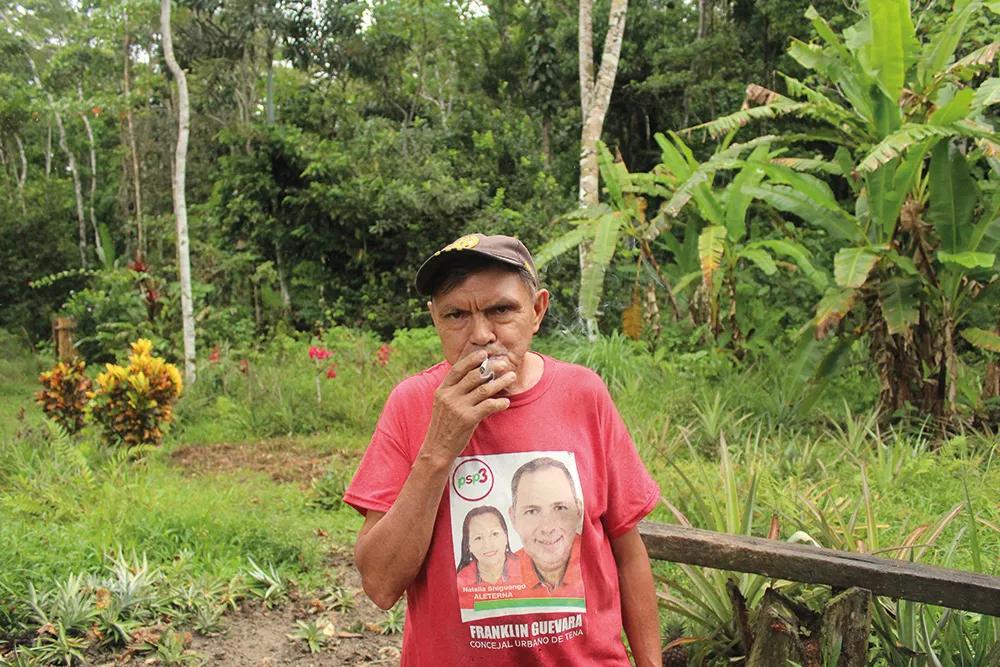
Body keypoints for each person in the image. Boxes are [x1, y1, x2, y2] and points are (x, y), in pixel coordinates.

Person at [344, 233, 662, 666]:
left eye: (501, 310)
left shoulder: (583, 394)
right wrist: (439, 449)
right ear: (435, 319)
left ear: (536, 311)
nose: (480, 335)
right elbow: (380, 585)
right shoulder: (411, 404)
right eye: (456, 314)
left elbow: (628, 554)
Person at [508, 457, 584, 598]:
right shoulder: (499, 573)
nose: (547, 528)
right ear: (513, 518)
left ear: (578, 510)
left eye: (559, 508)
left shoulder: (596, 559)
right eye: (532, 511)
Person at [456, 505, 518, 586]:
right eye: (478, 538)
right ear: (468, 546)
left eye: (494, 534)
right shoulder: (460, 581)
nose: (488, 545)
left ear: (506, 537)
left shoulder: (527, 569)